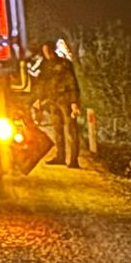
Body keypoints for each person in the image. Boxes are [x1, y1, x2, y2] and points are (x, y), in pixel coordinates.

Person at [30, 38, 83, 167]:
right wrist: (39, 99)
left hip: (66, 100)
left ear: (52, 50)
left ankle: (73, 160)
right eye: (44, 51)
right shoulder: (46, 66)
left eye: (47, 50)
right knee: (58, 130)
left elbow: (72, 82)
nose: (46, 53)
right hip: (53, 101)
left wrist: (74, 102)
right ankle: (60, 157)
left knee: (71, 131)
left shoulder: (64, 64)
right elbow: (42, 84)